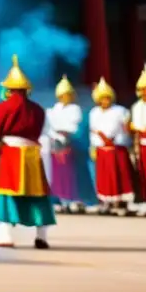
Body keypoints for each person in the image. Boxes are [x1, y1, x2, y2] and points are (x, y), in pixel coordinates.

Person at [0, 56, 55, 249]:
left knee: (7, 193)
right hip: (32, 155)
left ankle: (5, 236)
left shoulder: (3, 107)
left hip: (11, 154)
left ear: (9, 89)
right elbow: (42, 131)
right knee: (37, 194)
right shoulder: (38, 110)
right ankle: (41, 236)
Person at [46, 76, 97, 214]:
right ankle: (60, 200)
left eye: (67, 95)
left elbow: (74, 127)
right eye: (63, 95)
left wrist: (64, 134)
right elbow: (51, 125)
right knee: (58, 173)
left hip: (70, 145)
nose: (65, 97)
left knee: (72, 174)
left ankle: (74, 199)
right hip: (56, 143)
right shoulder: (54, 109)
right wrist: (56, 135)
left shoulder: (75, 109)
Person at [88, 78, 134, 216]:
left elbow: (125, 128)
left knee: (119, 175)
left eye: (107, 98)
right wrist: (96, 145)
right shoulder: (94, 112)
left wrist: (113, 138)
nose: (105, 101)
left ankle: (120, 203)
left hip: (116, 149)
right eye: (102, 99)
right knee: (104, 178)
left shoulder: (120, 111)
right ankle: (106, 202)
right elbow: (93, 130)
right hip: (102, 149)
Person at [131, 64, 146, 216]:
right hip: (142, 144)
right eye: (143, 89)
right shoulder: (136, 106)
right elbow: (135, 126)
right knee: (143, 174)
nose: (145, 92)